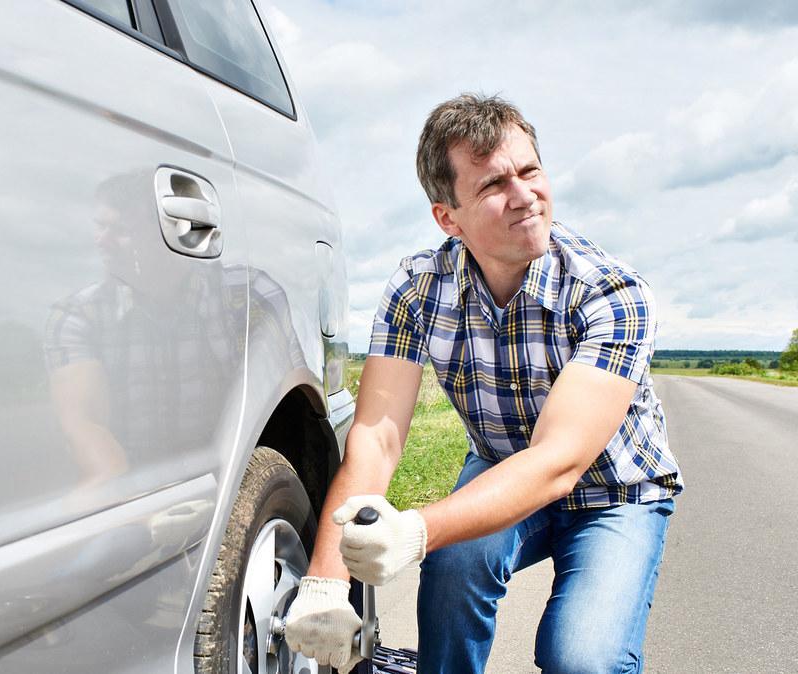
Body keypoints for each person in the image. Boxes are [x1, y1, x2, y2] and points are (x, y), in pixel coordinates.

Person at [284, 93, 682, 673]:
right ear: (448, 217)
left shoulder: (611, 293)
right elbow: (376, 436)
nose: (525, 198)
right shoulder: (417, 288)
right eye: (495, 185)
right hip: (500, 462)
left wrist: (415, 530)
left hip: (615, 494)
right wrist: (325, 583)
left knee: (581, 659)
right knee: (452, 567)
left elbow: (558, 462)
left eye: (530, 171)